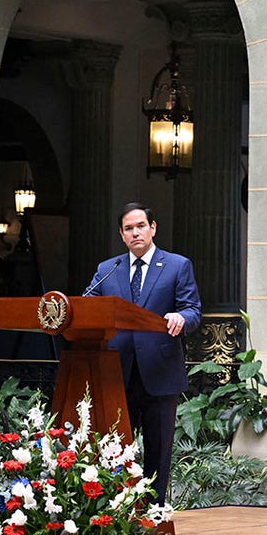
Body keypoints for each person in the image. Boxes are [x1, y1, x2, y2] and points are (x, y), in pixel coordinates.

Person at [85, 202, 201, 503]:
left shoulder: (177, 265)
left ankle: (155, 513)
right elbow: (88, 306)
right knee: (114, 448)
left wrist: (180, 318)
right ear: (122, 235)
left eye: (140, 226)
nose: (135, 232)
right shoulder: (107, 269)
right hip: (116, 373)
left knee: (157, 450)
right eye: (128, 228)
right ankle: (116, 511)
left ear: (153, 228)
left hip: (160, 374)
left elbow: (193, 311)